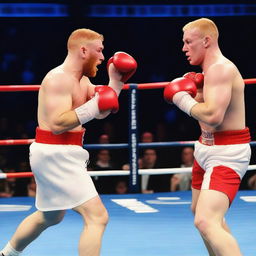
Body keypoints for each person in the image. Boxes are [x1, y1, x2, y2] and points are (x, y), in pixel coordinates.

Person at [0, 28, 137, 256]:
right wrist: (96, 105)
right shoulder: (58, 79)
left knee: (50, 215)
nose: (103, 57)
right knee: (97, 216)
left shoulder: (82, 80)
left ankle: (7, 254)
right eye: (99, 51)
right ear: (83, 50)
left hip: (63, 152)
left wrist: (116, 82)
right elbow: (56, 123)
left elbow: (103, 109)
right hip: (56, 153)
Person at [164, 18, 251, 256]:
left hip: (227, 153)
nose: (184, 48)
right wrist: (197, 97)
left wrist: (182, 98)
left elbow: (213, 116)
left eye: (188, 42)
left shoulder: (221, 69)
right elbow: (206, 119)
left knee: (206, 221)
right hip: (205, 147)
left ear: (206, 41)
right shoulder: (207, 73)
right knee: (200, 213)